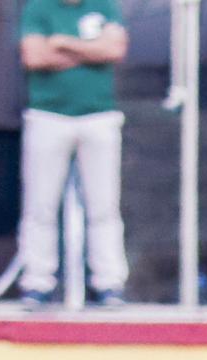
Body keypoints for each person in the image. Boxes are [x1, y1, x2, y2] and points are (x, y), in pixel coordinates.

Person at [17, 0, 130, 308]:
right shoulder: (38, 7)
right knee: (40, 205)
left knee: (104, 205)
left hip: (99, 116)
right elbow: (34, 56)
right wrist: (91, 51)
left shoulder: (104, 5)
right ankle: (37, 282)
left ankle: (109, 283)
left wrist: (64, 44)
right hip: (47, 116)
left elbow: (114, 50)